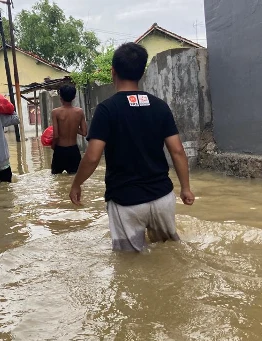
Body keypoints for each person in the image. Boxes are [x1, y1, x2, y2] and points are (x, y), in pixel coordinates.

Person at [69, 42, 195, 252]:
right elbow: (177, 151)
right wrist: (185, 188)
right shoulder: (159, 106)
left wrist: (76, 185)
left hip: (126, 202)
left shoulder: (106, 109)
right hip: (163, 198)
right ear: (141, 72)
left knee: (130, 265)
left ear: (113, 71)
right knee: (169, 254)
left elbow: (92, 157)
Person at [51, 85, 88, 174]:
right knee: (75, 179)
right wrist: (74, 126)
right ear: (74, 97)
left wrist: (53, 146)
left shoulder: (55, 112)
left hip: (60, 150)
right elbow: (84, 132)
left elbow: (56, 135)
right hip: (74, 151)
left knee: (57, 180)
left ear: (60, 97)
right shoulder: (80, 112)